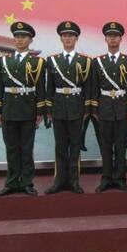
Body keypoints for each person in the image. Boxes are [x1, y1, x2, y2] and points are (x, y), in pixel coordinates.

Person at [0, 21, 45, 197]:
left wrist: (39, 112)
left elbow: (40, 88)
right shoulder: (3, 61)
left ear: (30, 40)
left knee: (26, 148)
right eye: (17, 36)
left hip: (28, 109)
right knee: (11, 148)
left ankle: (27, 183)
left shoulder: (37, 62)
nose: (20, 40)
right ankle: (11, 182)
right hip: (9, 109)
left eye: (24, 37)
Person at [45, 21, 92, 195]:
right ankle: (59, 181)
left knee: (75, 146)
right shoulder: (52, 60)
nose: (68, 38)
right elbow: (49, 86)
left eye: (71, 35)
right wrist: (48, 109)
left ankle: (74, 181)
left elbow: (88, 87)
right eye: (65, 35)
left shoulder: (85, 61)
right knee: (60, 146)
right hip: (58, 107)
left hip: (76, 107)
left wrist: (87, 109)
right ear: (61, 38)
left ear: (76, 38)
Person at [90, 22, 127, 192]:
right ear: (105, 39)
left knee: (120, 146)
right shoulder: (98, 61)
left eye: (115, 36)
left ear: (120, 39)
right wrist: (95, 109)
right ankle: (106, 178)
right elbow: (94, 87)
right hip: (104, 108)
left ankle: (120, 178)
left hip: (122, 108)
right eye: (109, 36)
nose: (112, 39)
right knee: (105, 146)